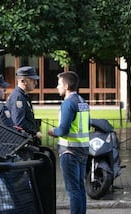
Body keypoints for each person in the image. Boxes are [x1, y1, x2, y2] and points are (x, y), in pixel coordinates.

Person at [48, 71, 90, 214]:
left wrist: (52, 131)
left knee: (73, 190)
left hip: (69, 151)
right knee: (80, 187)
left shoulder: (67, 103)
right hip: (83, 150)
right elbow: (87, 125)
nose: (57, 87)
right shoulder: (83, 102)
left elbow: (63, 130)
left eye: (59, 84)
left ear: (66, 86)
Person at [6, 66, 42, 143]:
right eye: (32, 80)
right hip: (20, 141)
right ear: (23, 81)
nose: (35, 83)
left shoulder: (22, 95)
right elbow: (19, 122)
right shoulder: (18, 97)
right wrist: (35, 132)